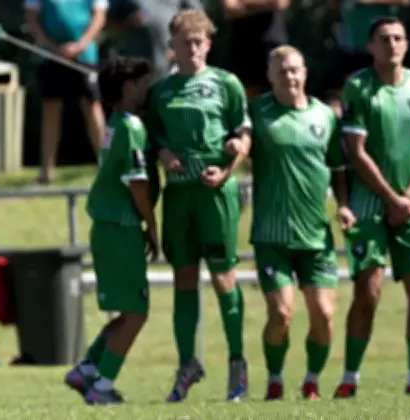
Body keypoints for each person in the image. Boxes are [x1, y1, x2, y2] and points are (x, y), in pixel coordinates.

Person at [335, 17, 410, 398]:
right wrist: (391, 198)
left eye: (398, 37)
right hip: (369, 205)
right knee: (369, 290)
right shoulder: (359, 87)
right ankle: (349, 379)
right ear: (371, 47)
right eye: (384, 39)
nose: (392, 44)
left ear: (407, 44)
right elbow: (356, 152)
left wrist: (409, 195)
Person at [147, 10, 250, 403]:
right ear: (171, 46)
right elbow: (153, 136)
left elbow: (244, 135)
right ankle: (187, 364)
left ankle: (237, 366)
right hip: (178, 195)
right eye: (184, 42)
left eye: (198, 42)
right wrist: (164, 151)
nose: (191, 49)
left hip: (216, 192)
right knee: (183, 279)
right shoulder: (162, 91)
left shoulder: (226, 84)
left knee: (224, 277)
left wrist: (229, 165)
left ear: (208, 43)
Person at [243, 45, 353, 401]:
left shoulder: (325, 116)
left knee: (323, 314)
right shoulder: (257, 113)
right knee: (281, 313)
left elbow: (338, 168)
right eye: (282, 71)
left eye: (295, 70)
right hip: (271, 236)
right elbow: (238, 145)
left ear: (305, 72)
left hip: (316, 237)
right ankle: (274, 379)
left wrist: (345, 206)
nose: (290, 76)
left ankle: (311, 380)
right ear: (270, 76)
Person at [63, 56, 156, 405]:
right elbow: (138, 185)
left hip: (108, 227)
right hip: (120, 227)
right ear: (129, 87)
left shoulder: (116, 123)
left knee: (127, 310)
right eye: (145, 84)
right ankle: (101, 387)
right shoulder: (131, 127)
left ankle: (87, 369)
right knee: (136, 313)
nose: (148, 91)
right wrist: (152, 225)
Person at [24, 0, 108, 184]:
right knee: (51, 109)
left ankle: (107, 166)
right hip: (51, 56)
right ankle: (46, 172)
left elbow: (99, 16)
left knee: (92, 106)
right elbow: (32, 18)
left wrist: (81, 44)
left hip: (85, 56)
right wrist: (52, 47)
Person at [105, 0, 204, 80]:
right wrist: (129, 22)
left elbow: (198, 22)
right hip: (134, 72)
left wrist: (180, 51)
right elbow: (106, 24)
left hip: (171, 69)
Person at [222, 0, 290, 99]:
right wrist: (264, 5)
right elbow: (230, 8)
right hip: (243, 46)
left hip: (272, 44)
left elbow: (279, 3)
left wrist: (244, 5)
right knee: (248, 102)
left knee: (282, 93)